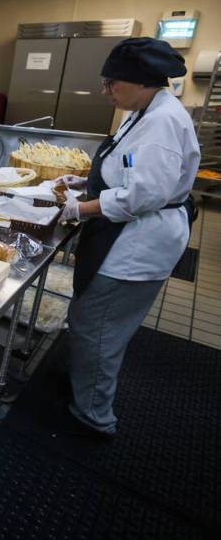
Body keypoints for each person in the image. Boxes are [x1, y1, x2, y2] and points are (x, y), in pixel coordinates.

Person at [55, 37, 199, 439]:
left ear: (140, 81)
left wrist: (79, 208)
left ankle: (93, 417)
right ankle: (87, 388)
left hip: (137, 243)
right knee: (92, 320)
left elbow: (144, 194)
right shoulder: (144, 111)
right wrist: (85, 181)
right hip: (126, 233)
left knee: (100, 329)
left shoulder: (161, 122)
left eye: (111, 83)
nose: (106, 91)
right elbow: (128, 169)